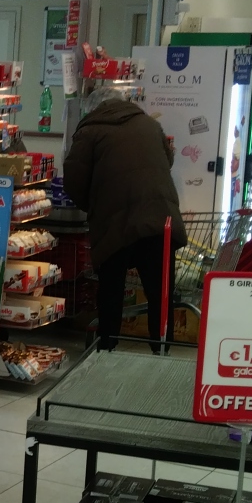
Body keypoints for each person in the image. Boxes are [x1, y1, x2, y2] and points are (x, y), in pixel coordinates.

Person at [62, 88, 187, 350]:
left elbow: (73, 180)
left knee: (111, 289)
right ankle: (162, 348)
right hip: (159, 218)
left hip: (115, 222)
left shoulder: (90, 131)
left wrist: (93, 206)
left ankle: (107, 348)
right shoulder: (149, 124)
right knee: (160, 292)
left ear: (93, 108)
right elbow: (168, 160)